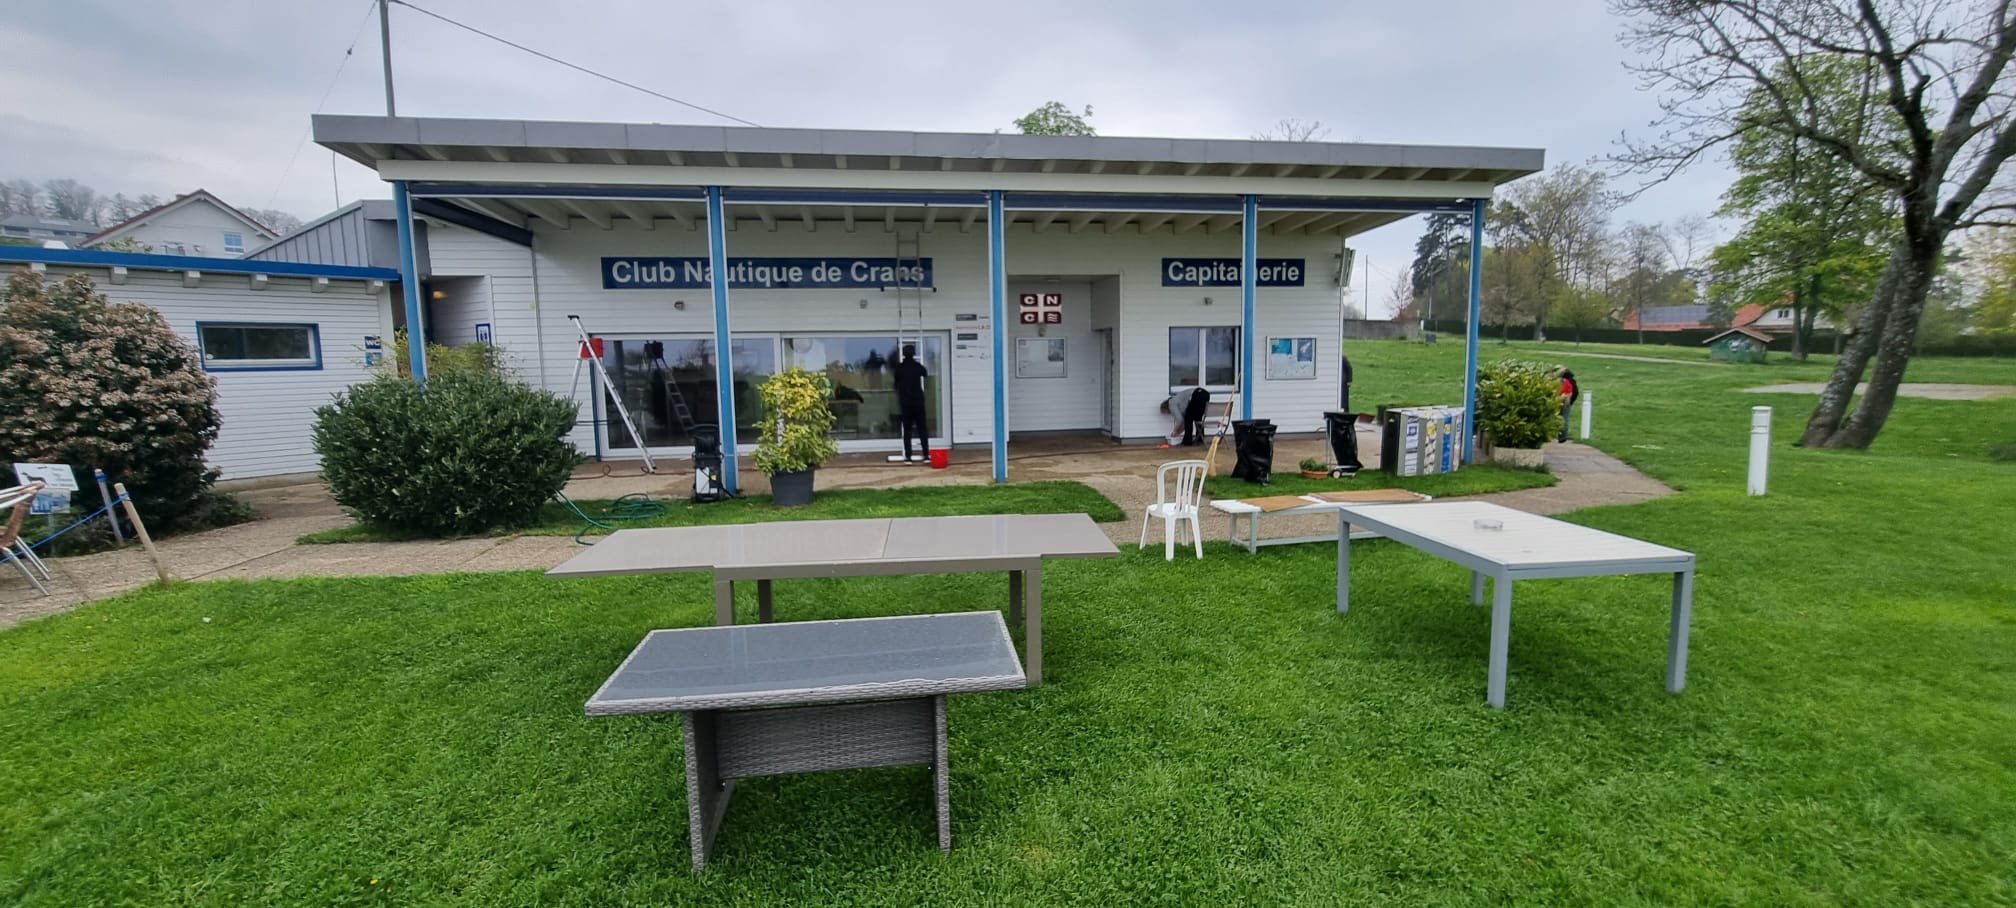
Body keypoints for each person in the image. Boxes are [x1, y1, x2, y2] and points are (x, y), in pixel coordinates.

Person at [893, 344, 930, 461]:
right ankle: (926, 455)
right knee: (922, 429)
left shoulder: (899, 368)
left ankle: (908, 457)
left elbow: (895, 384)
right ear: (914, 354)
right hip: (918, 402)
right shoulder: (917, 366)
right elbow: (925, 373)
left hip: (905, 403)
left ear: (903, 354)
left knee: (907, 430)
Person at [1557, 367, 1580, 443]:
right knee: (1564, 418)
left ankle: (1560, 435)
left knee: (1560, 418)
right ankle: (1563, 436)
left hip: (1560, 399)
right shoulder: (1570, 381)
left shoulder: (1561, 381)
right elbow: (1575, 392)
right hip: (1567, 400)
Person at [1339, 349, 1354, 413]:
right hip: (1342, 382)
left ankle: (1344, 411)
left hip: (1344, 383)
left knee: (1343, 399)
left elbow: (1349, 368)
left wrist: (1349, 380)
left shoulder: (1343, 358)